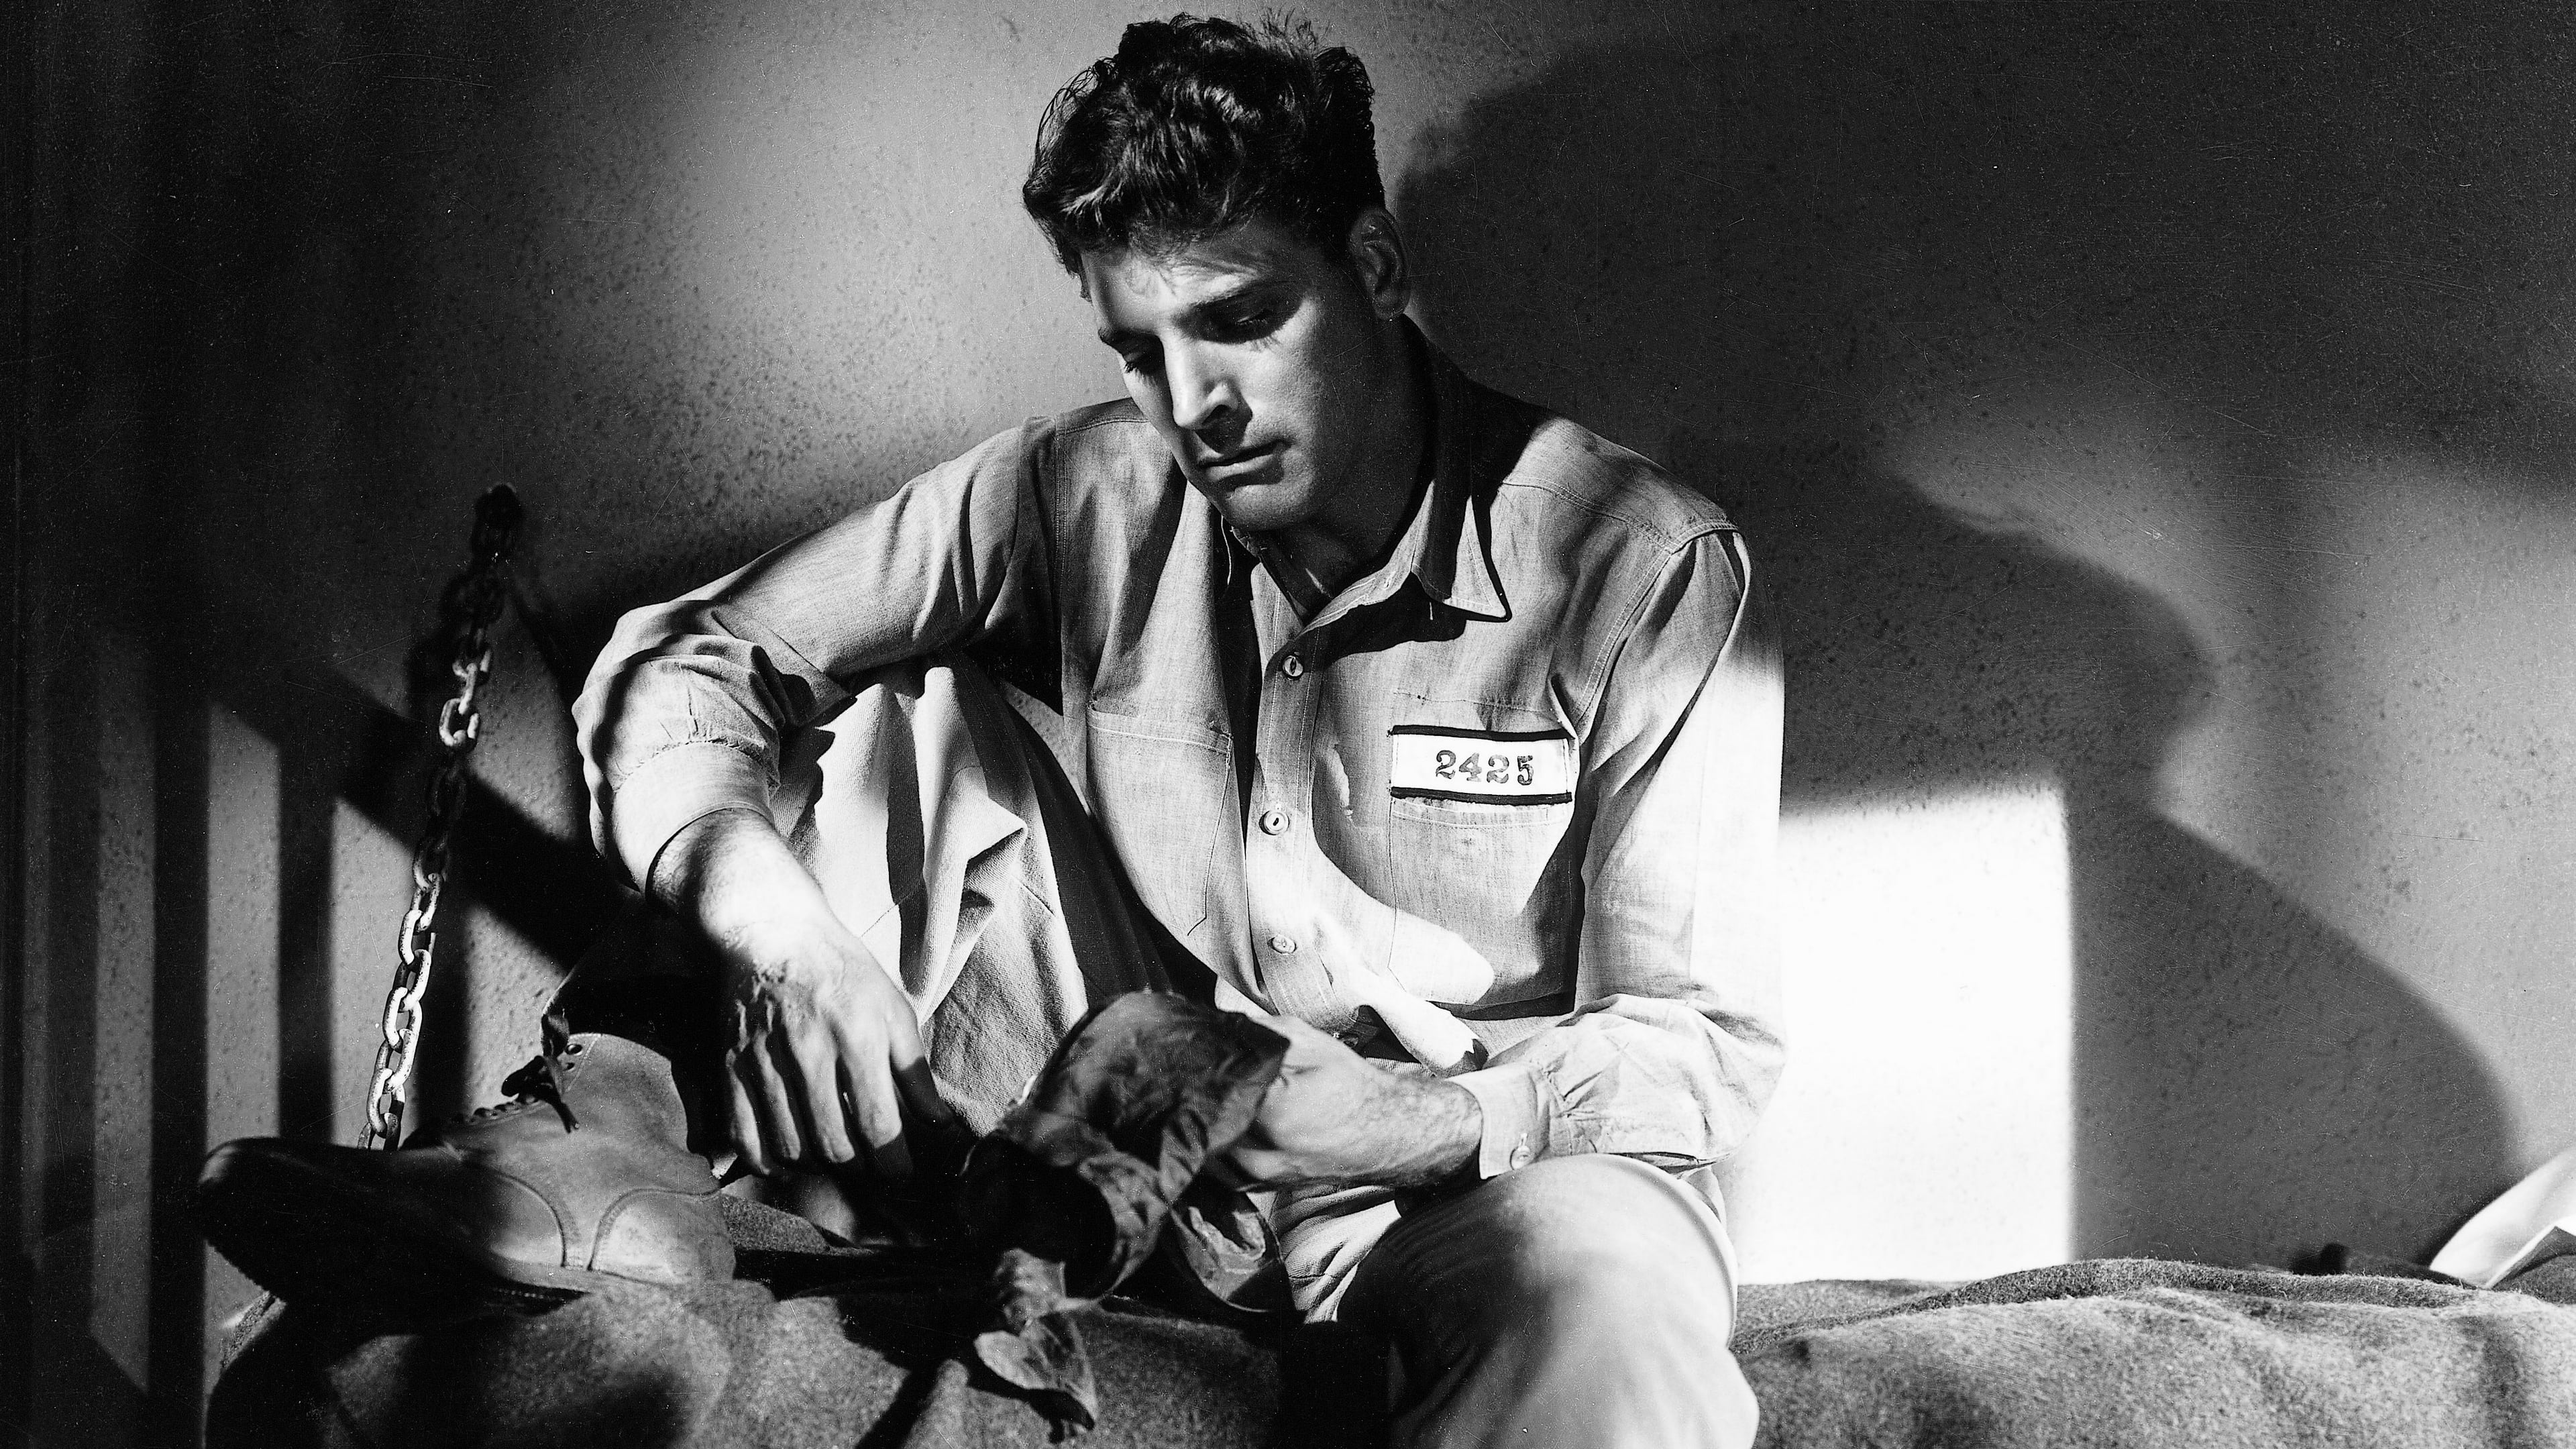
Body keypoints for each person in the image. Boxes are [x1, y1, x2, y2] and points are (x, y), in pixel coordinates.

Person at [202, 15, 1783, 1446]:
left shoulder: (1636, 564)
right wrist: (781, 944)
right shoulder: (1073, 492)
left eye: (1240, 321)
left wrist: (1424, 1117)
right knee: (907, 711)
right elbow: (694, 658)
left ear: (1372, 265)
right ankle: (612, 1137)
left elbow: (1698, 1047)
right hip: (1096, 1147)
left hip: (1453, 1184)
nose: (1194, 407)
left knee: (1605, 1304)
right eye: (1140, 352)